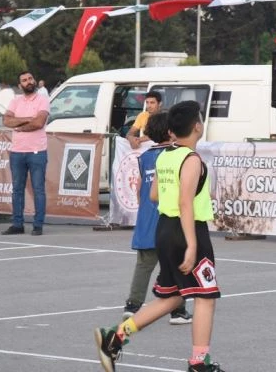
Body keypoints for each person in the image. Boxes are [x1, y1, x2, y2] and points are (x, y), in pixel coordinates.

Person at [95, 100, 224, 372]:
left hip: (165, 229)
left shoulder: (165, 156)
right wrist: (191, 245)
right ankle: (199, 362)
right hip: (187, 230)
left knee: (173, 297)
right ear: (198, 127)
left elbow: (154, 195)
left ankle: (115, 337)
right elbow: (186, 203)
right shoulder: (191, 159)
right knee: (205, 295)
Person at [121, 111, 193, 325]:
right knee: (176, 264)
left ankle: (132, 306)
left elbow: (141, 189)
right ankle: (178, 310)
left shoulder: (144, 157)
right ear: (171, 131)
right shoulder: (176, 155)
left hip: (146, 216)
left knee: (144, 264)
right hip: (167, 216)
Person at [1, 71, 50, 237]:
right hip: (17, 152)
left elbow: (39, 122)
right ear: (19, 85)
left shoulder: (43, 100)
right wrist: (29, 118)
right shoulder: (15, 101)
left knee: (38, 189)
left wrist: (20, 125)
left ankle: (38, 225)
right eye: (24, 80)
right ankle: (17, 224)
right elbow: (6, 121)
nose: (28, 81)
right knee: (17, 189)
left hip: (37, 152)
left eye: (30, 78)